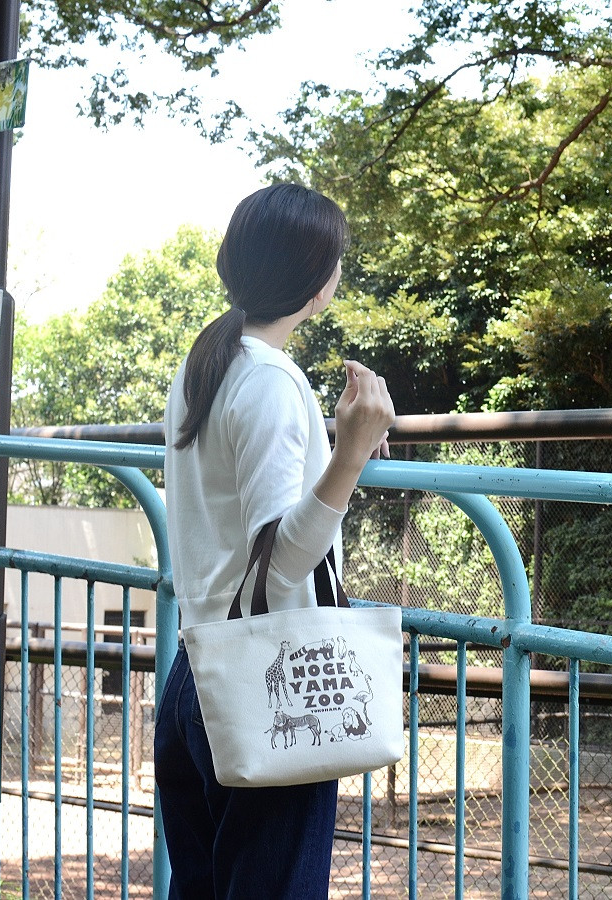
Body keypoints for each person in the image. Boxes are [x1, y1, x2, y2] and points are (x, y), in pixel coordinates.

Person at [156, 183, 395, 899]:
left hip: (198, 671)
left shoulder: (209, 359)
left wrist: (337, 445)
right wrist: (350, 453)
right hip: (272, 685)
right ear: (317, 281)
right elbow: (280, 561)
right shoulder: (270, 380)